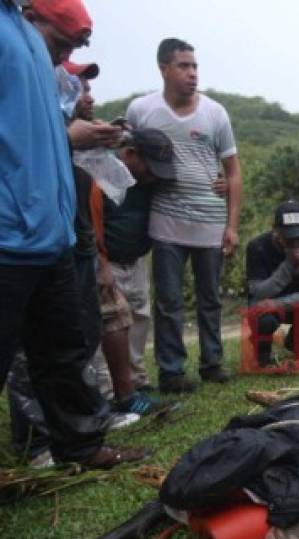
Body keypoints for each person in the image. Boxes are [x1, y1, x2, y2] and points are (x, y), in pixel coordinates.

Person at [0, 0, 144, 469]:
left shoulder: (23, 34)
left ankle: (80, 445)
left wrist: (72, 134)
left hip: (51, 231)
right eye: (65, 41)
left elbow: (32, 130)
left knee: (63, 352)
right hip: (8, 231)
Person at [127, 37, 242, 393]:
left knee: (211, 299)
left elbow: (234, 171)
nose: (192, 73)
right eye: (183, 66)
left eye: (195, 66)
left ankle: (212, 363)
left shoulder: (215, 113)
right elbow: (128, 158)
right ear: (164, 69)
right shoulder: (141, 110)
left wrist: (232, 225)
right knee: (168, 302)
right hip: (165, 221)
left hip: (209, 221)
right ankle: (172, 371)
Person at [92, 127, 178, 414]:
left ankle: (136, 384)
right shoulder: (100, 173)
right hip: (106, 262)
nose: (153, 175)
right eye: (149, 167)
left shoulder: (147, 180)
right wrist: (100, 263)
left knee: (138, 320)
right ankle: (107, 393)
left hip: (136, 260)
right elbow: (89, 221)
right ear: (129, 154)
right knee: (107, 324)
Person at [245, 200, 299, 367]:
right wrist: (288, 265)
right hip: (265, 304)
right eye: (288, 236)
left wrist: (279, 303)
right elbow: (257, 292)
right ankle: (262, 350)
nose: (294, 241)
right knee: (261, 314)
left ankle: (294, 341)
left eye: (298, 236)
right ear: (274, 229)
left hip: (291, 302)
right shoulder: (257, 247)